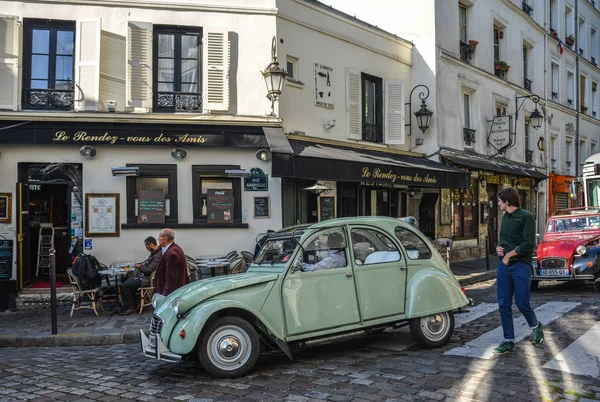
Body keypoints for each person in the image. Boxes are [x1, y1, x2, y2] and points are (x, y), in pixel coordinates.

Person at [493, 187, 544, 355]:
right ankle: (508, 341)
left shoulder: (526, 217)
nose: (498, 203)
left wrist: (509, 255)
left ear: (507, 201)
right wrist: (499, 250)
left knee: (522, 303)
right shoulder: (505, 218)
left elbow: (528, 244)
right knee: (503, 305)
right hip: (504, 267)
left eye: (500, 200)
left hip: (520, 265)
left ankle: (536, 327)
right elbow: (503, 241)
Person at [119, 236, 161, 315]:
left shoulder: (157, 256)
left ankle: (129, 307)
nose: (146, 248)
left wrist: (139, 266)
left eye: (146, 246)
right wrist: (141, 265)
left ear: (151, 245)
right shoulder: (155, 254)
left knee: (125, 285)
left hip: (147, 279)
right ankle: (135, 303)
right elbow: (148, 265)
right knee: (127, 281)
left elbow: (148, 270)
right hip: (144, 277)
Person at [155, 228, 189, 296]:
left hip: (172, 294)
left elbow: (171, 277)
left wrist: (165, 295)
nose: (158, 239)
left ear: (165, 238)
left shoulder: (172, 253)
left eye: (159, 237)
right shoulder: (173, 249)